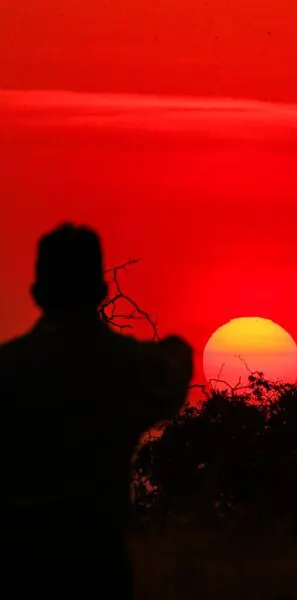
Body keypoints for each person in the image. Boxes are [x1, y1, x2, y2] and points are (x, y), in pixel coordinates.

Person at [0, 223, 194, 599]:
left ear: (37, 294)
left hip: (18, 565)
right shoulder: (131, 368)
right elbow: (175, 366)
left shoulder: (8, 369)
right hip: (98, 565)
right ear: (102, 292)